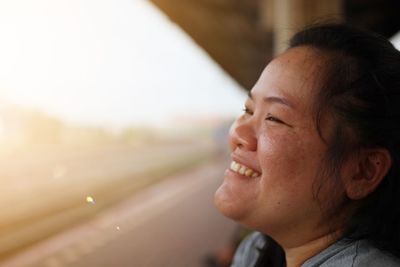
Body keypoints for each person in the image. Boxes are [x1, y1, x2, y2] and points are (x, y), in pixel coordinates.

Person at [214, 23, 400, 267]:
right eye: (248, 110)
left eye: (274, 118)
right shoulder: (257, 250)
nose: (238, 132)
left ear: (363, 171)